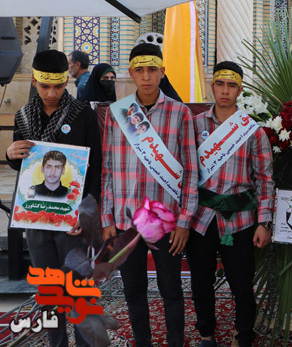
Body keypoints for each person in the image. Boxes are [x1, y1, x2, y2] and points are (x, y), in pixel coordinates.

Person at [100, 42, 199, 347]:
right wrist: (106, 218)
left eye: (152, 70)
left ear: (162, 72)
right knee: (133, 290)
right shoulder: (117, 113)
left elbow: (191, 170)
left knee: (171, 289)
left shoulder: (180, 113)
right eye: (140, 70)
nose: (146, 76)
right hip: (125, 219)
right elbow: (107, 169)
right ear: (131, 73)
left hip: (166, 220)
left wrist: (184, 221)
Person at [6, 49, 102, 347]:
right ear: (34, 82)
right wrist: (10, 154)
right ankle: (56, 343)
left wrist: (87, 212)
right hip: (37, 217)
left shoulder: (82, 113)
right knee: (49, 290)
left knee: (78, 287)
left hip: (72, 219)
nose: (51, 93)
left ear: (66, 82)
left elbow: (96, 168)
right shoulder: (23, 116)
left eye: (58, 86)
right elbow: (22, 164)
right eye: (45, 86)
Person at [187, 61, 273, 347]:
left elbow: (264, 180)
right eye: (220, 84)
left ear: (240, 90)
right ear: (212, 86)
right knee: (201, 281)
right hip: (201, 218)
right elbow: (185, 173)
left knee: (241, 283)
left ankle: (244, 334)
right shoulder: (194, 125)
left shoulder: (252, 131)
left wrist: (264, 222)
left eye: (232, 85)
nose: (225, 91)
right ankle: (206, 334)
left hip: (240, 221)